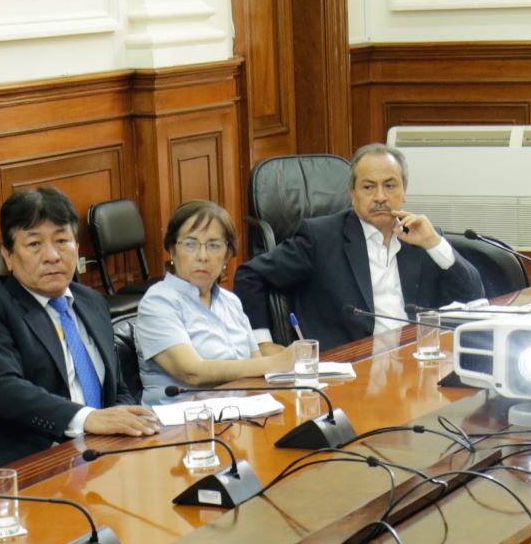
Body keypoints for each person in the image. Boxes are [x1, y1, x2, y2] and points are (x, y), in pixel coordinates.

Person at [0, 187, 159, 473]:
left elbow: (116, 387)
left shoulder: (92, 302)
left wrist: (128, 423)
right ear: (8, 255)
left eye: (62, 241)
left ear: (77, 247)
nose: (51, 255)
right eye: (34, 244)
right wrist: (86, 419)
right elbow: (0, 388)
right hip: (19, 467)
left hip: (98, 458)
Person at [233, 143, 484, 348]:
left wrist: (434, 243)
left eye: (390, 185)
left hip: (414, 364)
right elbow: (250, 276)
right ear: (352, 194)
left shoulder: (421, 236)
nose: (380, 197)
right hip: (351, 368)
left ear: (404, 191)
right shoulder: (321, 237)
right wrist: (262, 344)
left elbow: (474, 296)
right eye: (368, 187)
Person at [134, 200, 283, 404]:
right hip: (179, 427)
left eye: (214, 245)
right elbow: (192, 372)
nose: (202, 256)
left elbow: (255, 367)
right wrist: (276, 363)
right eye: (190, 244)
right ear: (172, 250)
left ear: (227, 255)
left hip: (240, 417)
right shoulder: (158, 302)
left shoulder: (231, 302)